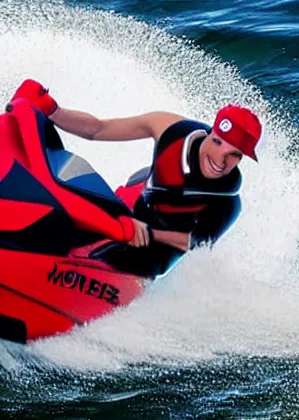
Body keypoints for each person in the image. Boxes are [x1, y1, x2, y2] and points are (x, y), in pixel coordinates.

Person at [10, 79, 262, 276]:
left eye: (234, 155)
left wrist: (147, 233)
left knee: (119, 255)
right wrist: (53, 110)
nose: (220, 159)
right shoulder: (169, 128)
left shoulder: (227, 203)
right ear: (210, 132)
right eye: (217, 142)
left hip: (154, 247)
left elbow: (192, 244)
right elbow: (99, 129)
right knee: (63, 212)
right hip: (134, 206)